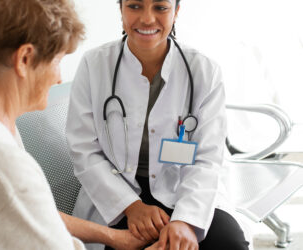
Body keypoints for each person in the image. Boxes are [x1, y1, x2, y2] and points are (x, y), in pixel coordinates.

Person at [0, 0, 147, 249]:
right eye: (57, 60)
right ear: (25, 58)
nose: (60, 77)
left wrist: (114, 237)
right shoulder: (0, 164)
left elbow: (32, 214)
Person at [66, 0, 250, 249]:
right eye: (134, 6)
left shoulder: (204, 71)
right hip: (116, 193)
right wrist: (131, 206)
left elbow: (207, 158)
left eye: (160, 8)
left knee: (229, 244)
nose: (147, 19)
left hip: (183, 186)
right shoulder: (94, 65)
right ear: (120, 9)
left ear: (176, 11)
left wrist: (185, 221)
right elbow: (84, 150)